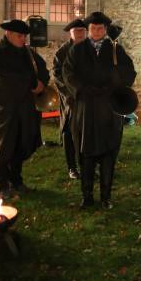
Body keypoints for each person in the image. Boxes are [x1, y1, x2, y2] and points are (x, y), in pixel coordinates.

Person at [63, 11, 137, 210]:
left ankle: (106, 197)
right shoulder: (77, 51)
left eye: (101, 28)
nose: (97, 31)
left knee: (108, 154)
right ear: (88, 30)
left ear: (105, 30)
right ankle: (87, 197)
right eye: (94, 28)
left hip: (109, 109)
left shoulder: (115, 50)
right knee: (86, 154)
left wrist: (114, 87)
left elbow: (129, 71)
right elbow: (68, 73)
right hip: (86, 109)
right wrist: (82, 90)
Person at [0, 19, 50, 198]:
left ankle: (17, 180)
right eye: (19, 36)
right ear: (8, 34)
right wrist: (32, 84)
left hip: (26, 108)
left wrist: (42, 83)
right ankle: (3, 185)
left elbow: (42, 69)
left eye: (25, 36)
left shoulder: (27, 52)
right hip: (7, 109)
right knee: (5, 146)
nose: (23, 39)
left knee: (24, 143)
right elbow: (7, 80)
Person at [52, 19, 86, 180]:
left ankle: (86, 165)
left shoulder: (91, 49)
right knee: (69, 133)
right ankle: (72, 167)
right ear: (70, 33)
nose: (80, 33)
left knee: (87, 133)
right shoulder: (62, 53)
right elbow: (58, 76)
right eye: (76, 31)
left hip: (87, 100)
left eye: (82, 30)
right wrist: (71, 93)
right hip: (70, 101)